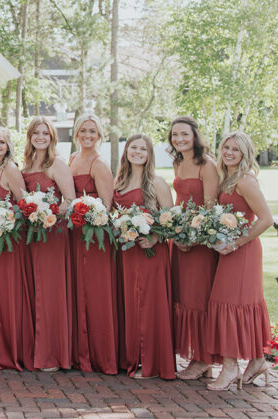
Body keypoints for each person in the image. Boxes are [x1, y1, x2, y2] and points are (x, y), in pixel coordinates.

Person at [204, 132, 273, 391]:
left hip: (243, 252)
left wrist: (236, 243)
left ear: (245, 153)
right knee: (237, 303)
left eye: (235, 149)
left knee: (231, 304)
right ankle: (257, 361)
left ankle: (231, 366)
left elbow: (266, 219)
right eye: (226, 147)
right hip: (230, 250)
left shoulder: (244, 181)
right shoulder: (228, 179)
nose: (229, 152)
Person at [114, 133, 176, 380]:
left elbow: (172, 220)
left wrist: (155, 238)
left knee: (149, 306)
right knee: (131, 304)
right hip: (127, 254)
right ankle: (134, 358)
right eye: (133, 147)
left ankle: (152, 363)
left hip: (151, 253)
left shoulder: (157, 183)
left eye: (143, 149)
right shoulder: (119, 181)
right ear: (126, 151)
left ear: (149, 154)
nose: (137, 152)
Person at [168, 116, 221, 380]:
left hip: (200, 243)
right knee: (184, 298)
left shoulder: (207, 165)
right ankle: (197, 357)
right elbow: (180, 201)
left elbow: (211, 208)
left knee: (198, 299)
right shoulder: (179, 162)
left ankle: (203, 359)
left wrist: (193, 238)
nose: (179, 139)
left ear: (195, 136)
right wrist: (176, 232)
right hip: (179, 240)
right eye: (175, 135)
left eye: (184, 134)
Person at [21, 116, 76, 372]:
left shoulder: (57, 164)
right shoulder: (26, 164)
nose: (40, 137)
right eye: (36, 133)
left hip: (53, 234)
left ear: (52, 137)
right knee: (34, 291)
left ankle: (52, 354)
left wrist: (46, 212)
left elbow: (71, 202)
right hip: (31, 237)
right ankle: (36, 351)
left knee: (49, 293)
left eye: (45, 133)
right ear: (30, 136)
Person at [68, 113, 118, 375]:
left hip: (94, 236)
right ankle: (80, 352)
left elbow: (107, 206)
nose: (88, 136)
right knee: (78, 290)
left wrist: (91, 219)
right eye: (83, 131)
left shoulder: (99, 164)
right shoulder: (74, 159)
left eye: (93, 132)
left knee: (95, 293)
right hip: (74, 234)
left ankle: (101, 355)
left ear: (100, 135)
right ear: (77, 133)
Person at [0, 127, 32, 371]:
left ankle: (12, 351)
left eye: (1, 142)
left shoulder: (11, 170)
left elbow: (25, 206)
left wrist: (6, 219)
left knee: (9, 294)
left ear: (9, 145)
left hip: (10, 243)